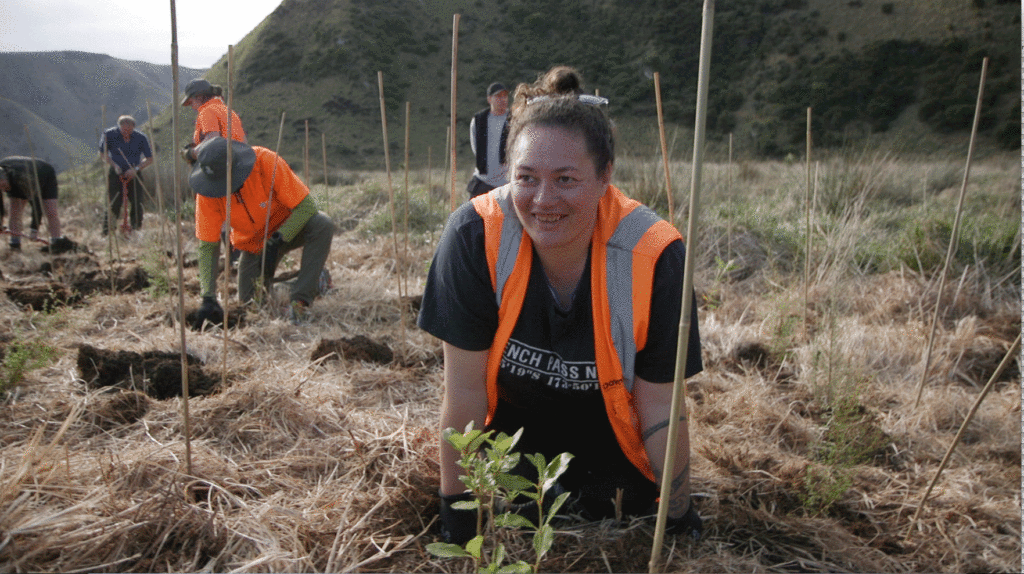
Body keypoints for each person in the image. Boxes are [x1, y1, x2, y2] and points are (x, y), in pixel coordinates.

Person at [419, 66, 704, 545]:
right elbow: (464, 390)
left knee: (609, 505)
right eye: (526, 178)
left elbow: (659, 403)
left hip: (609, 435)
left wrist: (676, 515)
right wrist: (459, 519)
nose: (544, 200)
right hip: (509, 437)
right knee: (521, 504)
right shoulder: (474, 236)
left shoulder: (655, 254)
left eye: (567, 179)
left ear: (605, 177)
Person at [188, 136, 335, 325]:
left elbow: (306, 207)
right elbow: (208, 246)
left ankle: (300, 300)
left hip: (288, 227)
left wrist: (278, 239)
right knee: (251, 306)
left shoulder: (265, 161)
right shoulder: (208, 192)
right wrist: (208, 297)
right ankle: (315, 281)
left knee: (322, 223)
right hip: (253, 244)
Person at [0, 156, 75, 253]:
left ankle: (56, 243)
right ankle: (15, 245)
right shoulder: (3, 175)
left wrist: (34, 229)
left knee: (51, 212)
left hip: (45, 176)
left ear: (5, 178)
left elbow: (36, 205)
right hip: (15, 181)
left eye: (3, 186)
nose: (2, 189)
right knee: (15, 212)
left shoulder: (24, 178)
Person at [99, 115, 153, 233]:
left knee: (137, 202)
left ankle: (136, 229)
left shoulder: (141, 137)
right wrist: (114, 165)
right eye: (123, 130)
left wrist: (136, 169)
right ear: (119, 127)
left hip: (134, 173)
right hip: (115, 172)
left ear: (134, 127)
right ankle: (108, 232)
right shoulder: (109, 134)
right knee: (113, 203)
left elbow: (149, 158)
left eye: (129, 130)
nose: (126, 133)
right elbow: (103, 154)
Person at [180, 78, 247, 164]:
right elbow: (244, 140)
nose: (192, 107)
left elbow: (212, 140)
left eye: (191, 102)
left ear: (199, 97)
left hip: (223, 165)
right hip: (242, 163)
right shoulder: (228, 111)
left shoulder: (206, 111)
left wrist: (191, 153)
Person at [466, 82, 510, 199]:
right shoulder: (478, 120)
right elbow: (475, 147)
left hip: (507, 183)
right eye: (498, 96)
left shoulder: (514, 119)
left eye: (504, 96)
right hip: (482, 179)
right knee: (473, 215)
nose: (502, 99)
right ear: (489, 99)